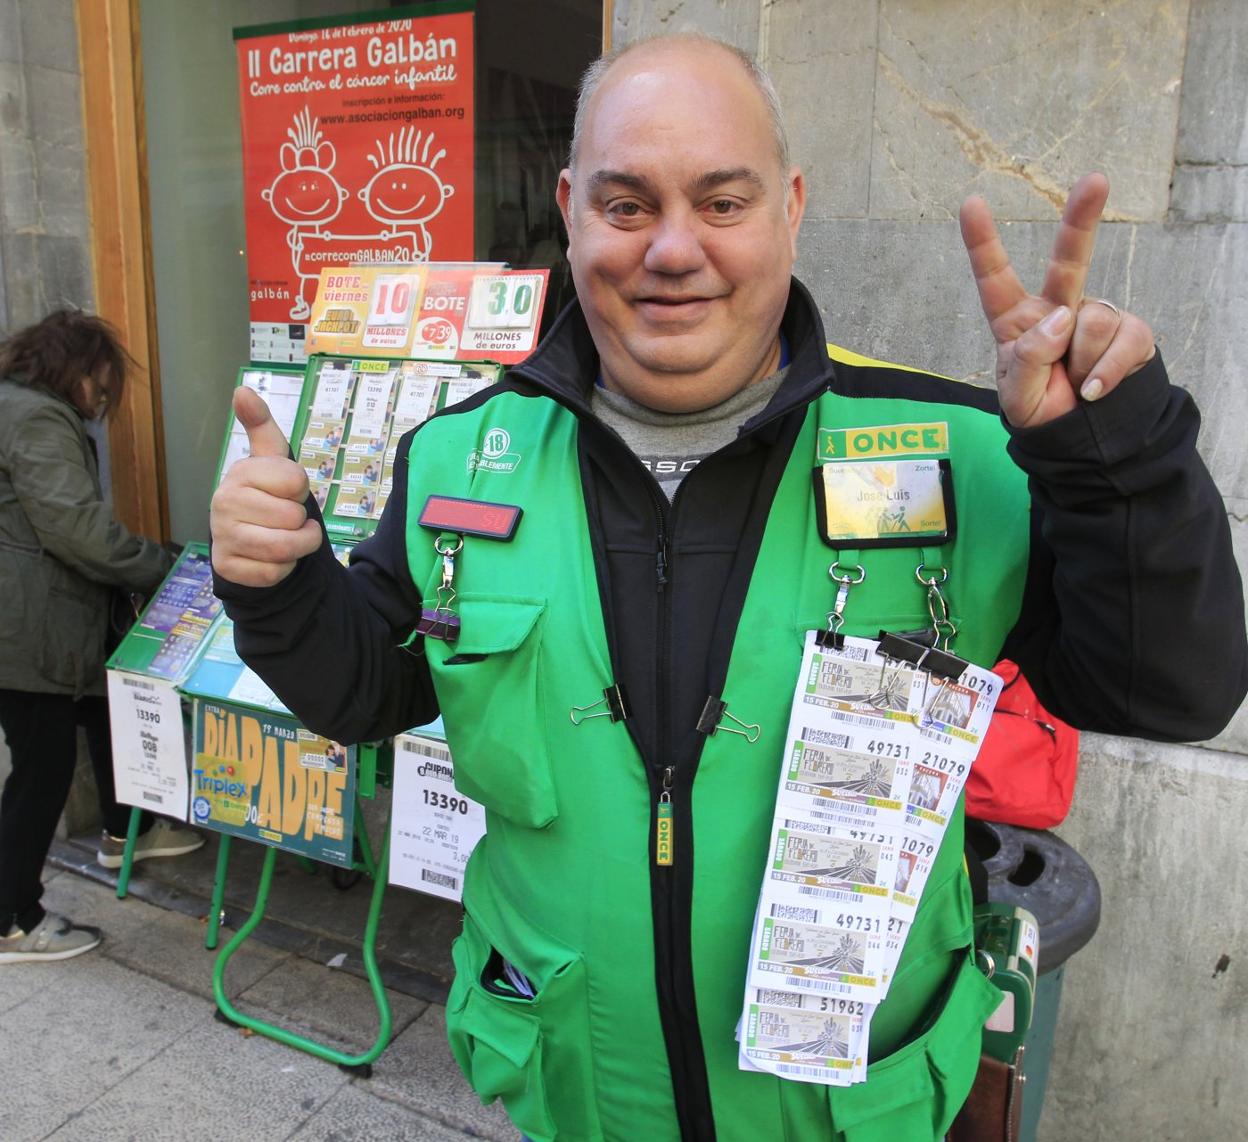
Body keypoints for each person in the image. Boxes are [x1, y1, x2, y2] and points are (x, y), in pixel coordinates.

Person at [210, 35, 1247, 1142]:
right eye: (624, 202)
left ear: (790, 207)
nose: (671, 248)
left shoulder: (968, 453)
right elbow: (371, 686)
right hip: (577, 1089)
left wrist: (1115, 457)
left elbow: (1171, 689)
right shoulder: (459, 459)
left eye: (721, 200)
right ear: (569, 210)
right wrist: (278, 585)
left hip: (853, 1105)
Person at [0, 309, 204, 964]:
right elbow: (76, 530)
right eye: (102, 384)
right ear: (78, 369)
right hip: (25, 628)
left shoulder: (16, 406)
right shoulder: (35, 415)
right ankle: (12, 918)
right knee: (42, 768)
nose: (103, 401)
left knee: (101, 704)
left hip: (34, 621)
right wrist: (171, 565)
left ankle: (128, 827)